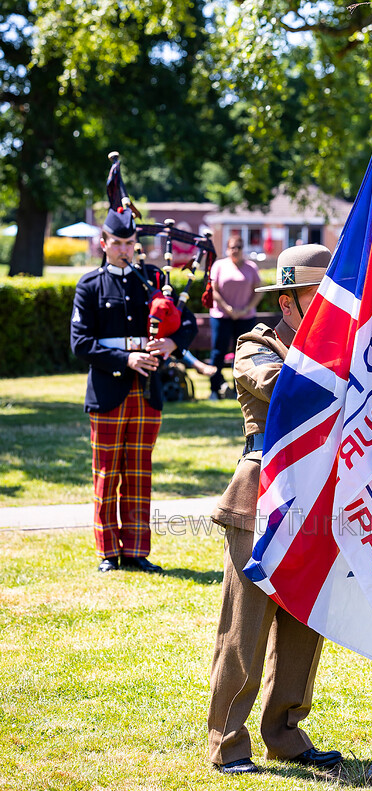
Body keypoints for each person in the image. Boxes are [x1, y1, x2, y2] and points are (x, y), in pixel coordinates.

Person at [207, 244, 343, 775]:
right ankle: (227, 743)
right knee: (245, 626)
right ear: (288, 304)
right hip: (262, 496)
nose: (334, 308)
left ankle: (284, 735)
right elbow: (280, 389)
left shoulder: (344, 350)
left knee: (306, 623)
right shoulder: (255, 345)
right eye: (321, 297)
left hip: (315, 501)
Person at [70, 204, 197, 574]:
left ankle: (137, 551)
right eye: (118, 242)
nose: (125, 249)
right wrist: (125, 359)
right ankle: (109, 553)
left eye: (130, 242)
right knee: (107, 473)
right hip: (108, 391)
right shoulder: (90, 285)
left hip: (147, 390)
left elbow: (184, 323)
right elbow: (81, 343)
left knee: (139, 471)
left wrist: (173, 344)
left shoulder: (155, 279)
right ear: (103, 242)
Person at [208, 236, 262, 400]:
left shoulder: (251, 267)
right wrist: (228, 309)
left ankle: (240, 389)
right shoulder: (219, 265)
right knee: (218, 353)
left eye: (238, 247)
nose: (235, 250)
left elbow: (258, 291)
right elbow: (214, 290)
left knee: (242, 354)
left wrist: (246, 308)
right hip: (222, 316)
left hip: (245, 317)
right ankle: (214, 389)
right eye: (232, 247)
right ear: (227, 249)